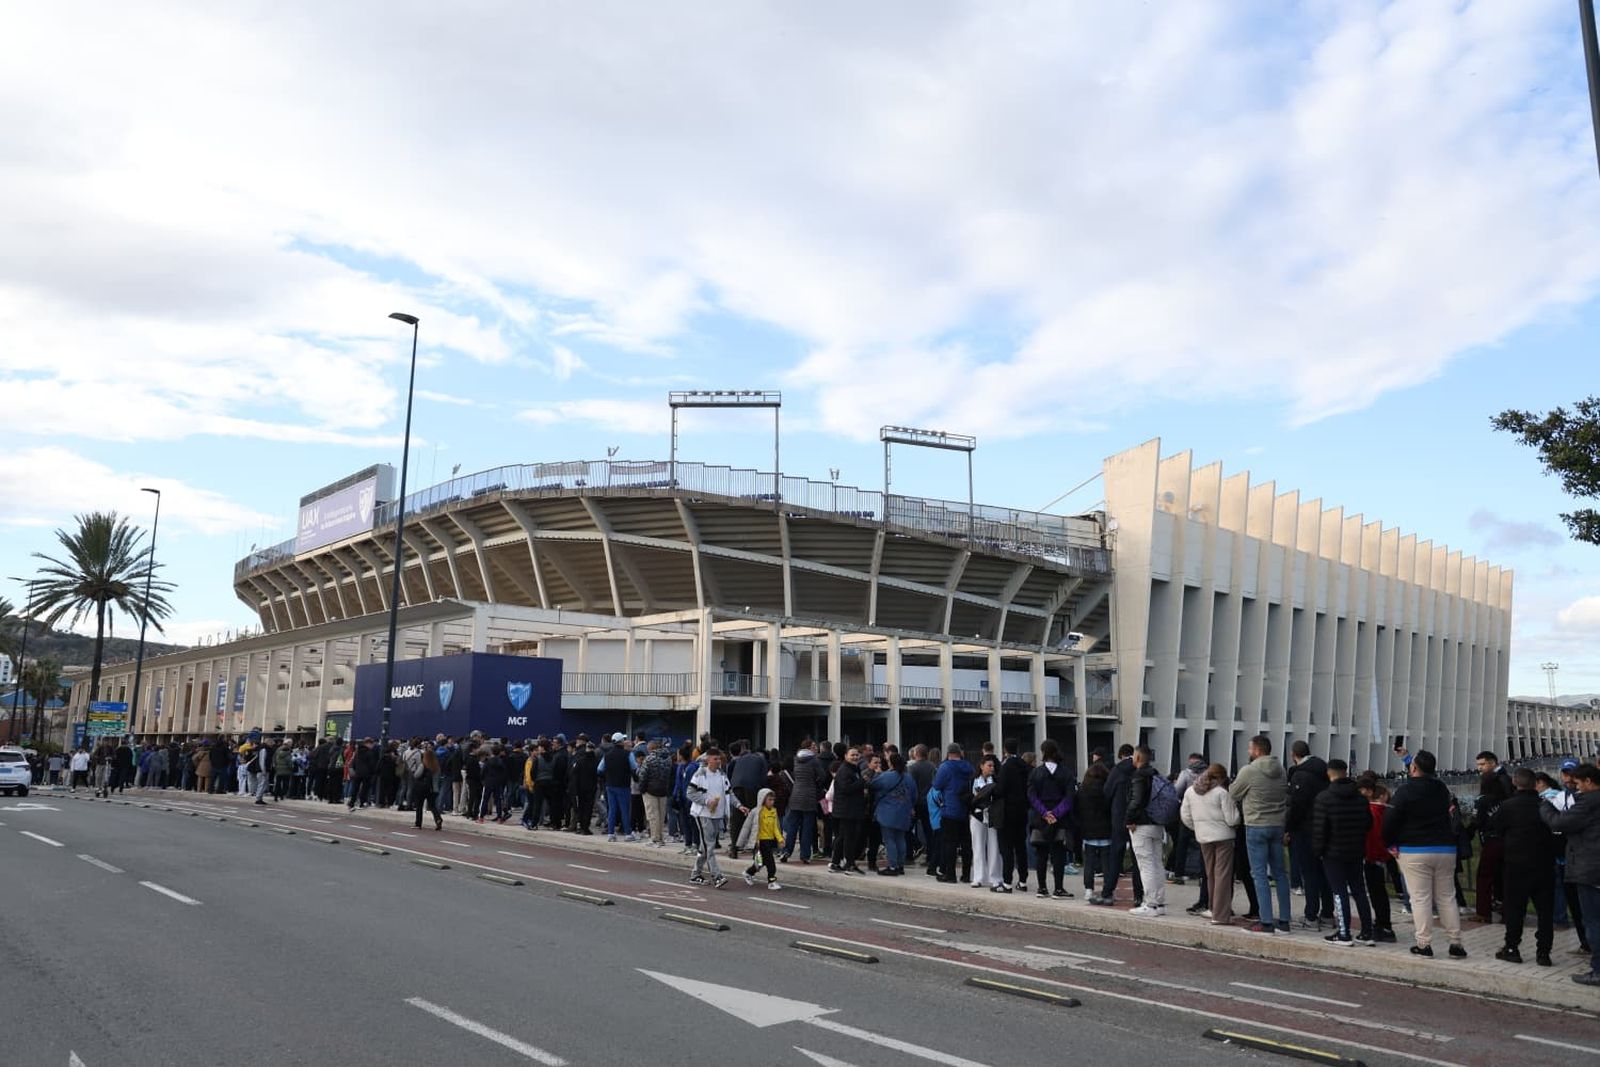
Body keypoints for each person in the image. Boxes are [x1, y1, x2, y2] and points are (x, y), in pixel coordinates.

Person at [1383, 748, 1467, 959]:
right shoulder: (1441, 789)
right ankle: (1456, 943)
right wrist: (1408, 758)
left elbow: (1390, 821)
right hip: (1445, 848)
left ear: (1413, 768)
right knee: (1447, 897)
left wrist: (1390, 844)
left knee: (1420, 898)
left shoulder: (1405, 791)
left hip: (1414, 849)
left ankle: (1424, 943)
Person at [1541, 762, 1600, 986]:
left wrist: (1546, 805)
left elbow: (1559, 822)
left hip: (1590, 868)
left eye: (1577, 783)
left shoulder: (1587, 802)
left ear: (1588, 782)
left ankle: (1598, 970)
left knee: (1593, 921)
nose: (1575, 788)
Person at [1491, 767, 1554, 965]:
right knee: (1545, 912)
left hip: (1516, 864)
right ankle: (1543, 953)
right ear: (1535, 784)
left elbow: (1495, 827)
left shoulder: (1508, 806)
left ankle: (1512, 947)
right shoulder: (1545, 805)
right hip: (1543, 864)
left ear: (1515, 783)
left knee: (1515, 908)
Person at [1230, 735, 1290, 934]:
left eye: (1250, 749)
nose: (1248, 752)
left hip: (1256, 824)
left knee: (1259, 874)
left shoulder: (1249, 770)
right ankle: (1284, 920)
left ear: (1257, 750)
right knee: (1280, 874)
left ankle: (1265, 921)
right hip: (1277, 824)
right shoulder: (1281, 770)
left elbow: (1234, 793)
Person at [1313, 758, 1374, 945]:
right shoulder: (1361, 798)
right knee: (1359, 890)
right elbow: (1368, 824)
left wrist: (1318, 851)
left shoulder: (1324, 798)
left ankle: (1344, 932)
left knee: (1339, 892)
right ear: (1346, 772)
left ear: (1329, 773)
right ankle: (1367, 932)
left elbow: (1319, 829)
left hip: (1333, 852)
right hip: (1356, 850)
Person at [1181, 762, 1239, 925]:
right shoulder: (1221, 792)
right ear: (1220, 777)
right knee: (1222, 875)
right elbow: (1232, 818)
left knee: (1210, 874)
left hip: (1203, 837)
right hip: (1223, 837)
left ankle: (1212, 908)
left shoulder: (1191, 791)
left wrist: (1198, 827)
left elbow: (1185, 816)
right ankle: (1220, 915)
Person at [1286, 740, 1334, 930]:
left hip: (1305, 830)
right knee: (1324, 872)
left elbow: (1296, 806)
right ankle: (1328, 913)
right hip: (1324, 828)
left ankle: (1311, 915)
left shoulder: (1300, 775)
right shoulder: (1324, 772)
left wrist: (1288, 828)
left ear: (1293, 754)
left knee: (1309, 872)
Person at [1125, 745, 1171, 917]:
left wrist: (1129, 819)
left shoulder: (1138, 776)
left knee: (1146, 864)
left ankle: (1150, 904)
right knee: (1157, 863)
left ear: (1137, 758)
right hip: (1157, 823)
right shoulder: (1155, 774)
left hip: (1142, 825)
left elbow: (1136, 800)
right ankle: (1159, 903)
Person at [1027, 739, 1075, 899]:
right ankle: (1058, 888)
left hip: (1040, 819)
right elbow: (1069, 798)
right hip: (1059, 819)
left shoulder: (1036, 773)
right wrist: (1056, 813)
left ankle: (1042, 888)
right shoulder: (1066, 773)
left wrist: (1044, 812)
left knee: (1041, 854)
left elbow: (1032, 796)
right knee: (1058, 854)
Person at [687, 748, 743, 888]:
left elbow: (729, 792)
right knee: (710, 846)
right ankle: (717, 876)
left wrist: (739, 805)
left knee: (705, 847)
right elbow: (690, 793)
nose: (718, 762)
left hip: (717, 815)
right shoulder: (700, 774)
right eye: (715, 759)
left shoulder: (722, 775)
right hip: (703, 814)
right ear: (708, 760)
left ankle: (696, 874)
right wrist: (706, 801)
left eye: (719, 759)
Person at [1472, 750, 1512, 924]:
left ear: (1492, 762)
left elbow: (1477, 820)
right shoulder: (1505, 788)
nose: (1480, 769)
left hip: (1491, 838)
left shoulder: (1485, 798)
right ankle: (1506, 910)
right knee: (1503, 874)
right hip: (1506, 837)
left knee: (1485, 875)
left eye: (1482, 765)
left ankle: (1483, 912)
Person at [1356, 776, 1399, 943]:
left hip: (1372, 856)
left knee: (1377, 893)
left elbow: (1373, 836)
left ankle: (1384, 926)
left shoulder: (1371, 811)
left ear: (1368, 791)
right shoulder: (1383, 810)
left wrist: (1369, 855)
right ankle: (1383, 924)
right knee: (1378, 892)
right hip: (1380, 855)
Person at [1104, 744, 1143, 906]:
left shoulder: (1117, 770)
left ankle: (1108, 892)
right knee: (1138, 859)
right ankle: (1139, 896)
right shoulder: (1141, 769)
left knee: (1116, 855)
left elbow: (1107, 792)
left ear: (1121, 755)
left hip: (1119, 818)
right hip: (1138, 820)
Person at [931, 744, 976, 884]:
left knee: (949, 844)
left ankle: (950, 875)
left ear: (949, 753)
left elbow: (937, 785)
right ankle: (966, 874)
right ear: (960, 753)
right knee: (966, 844)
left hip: (950, 808)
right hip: (966, 808)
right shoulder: (968, 766)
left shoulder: (945, 767)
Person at [782, 739, 828, 864]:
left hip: (796, 795)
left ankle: (786, 851)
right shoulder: (814, 760)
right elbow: (822, 776)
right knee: (807, 827)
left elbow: (795, 775)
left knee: (792, 826)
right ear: (808, 748)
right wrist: (815, 781)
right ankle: (805, 855)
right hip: (809, 796)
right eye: (813, 746)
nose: (815, 748)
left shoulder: (796, 758)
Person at [869, 752, 914, 876]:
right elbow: (914, 795)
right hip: (904, 811)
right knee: (900, 838)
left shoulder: (886, 776)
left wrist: (877, 774)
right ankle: (900, 865)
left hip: (887, 811)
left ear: (890, 763)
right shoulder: (909, 777)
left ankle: (893, 866)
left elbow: (872, 785)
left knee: (889, 840)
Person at [995, 738, 1031, 892]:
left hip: (1007, 812)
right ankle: (1023, 881)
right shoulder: (1025, 766)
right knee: (1021, 846)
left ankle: (1007, 882)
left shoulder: (1006, 766)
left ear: (1005, 750)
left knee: (1006, 847)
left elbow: (1000, 789)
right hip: (1022, 811)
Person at [828, 747, 869, 875]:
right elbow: (846, 789)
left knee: (843, 836)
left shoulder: (853, 769)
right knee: (848, 837)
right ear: (846, 756)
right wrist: (862, 782)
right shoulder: (845, 770)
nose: (855, 757)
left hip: (850, 809)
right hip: (846, 810)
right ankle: (849, 864)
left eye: (857, 755)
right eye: (852, 755)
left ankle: (836, 863)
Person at [1079, 760, 1114, 903]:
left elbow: (1078, 810)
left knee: (1089, 862)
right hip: (1106, 830)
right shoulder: (1108, 789)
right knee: (1107, 863)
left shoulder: (1082, 790)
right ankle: (1108, 890)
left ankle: (1088, 890)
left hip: (1088, 830)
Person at [737, 787, 784, 890]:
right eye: (769, 800)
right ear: (762, 799)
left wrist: (780, 839)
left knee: (761, 862)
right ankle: (771, 881)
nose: (772, 802)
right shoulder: (756, 812)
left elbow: (776, 827)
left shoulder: (773, 812)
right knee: (770, 863)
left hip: (769, 841)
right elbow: (747, 827)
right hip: (760, 842)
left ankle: (748, 872)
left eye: (773, 800)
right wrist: (741, 842)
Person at [969, 755, 1003, 889]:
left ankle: (995, 877)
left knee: (994, 847)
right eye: (989, 765)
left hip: (992, 816)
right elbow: (967, 795)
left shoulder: (996, 780)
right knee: (977, 846)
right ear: (981, 766)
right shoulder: (973, 780)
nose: (992, 768)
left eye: (993, 766)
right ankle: (978, 877)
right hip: (977, 815)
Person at [603, 734, 638, 842]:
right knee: (625, 809)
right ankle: (627, 833)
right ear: (621, 742)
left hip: (610, 784)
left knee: (612, 810)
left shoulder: (607, 755)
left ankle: (611, 833)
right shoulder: (628, 754)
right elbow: (635, 767)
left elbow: (600, 769)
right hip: (623, 785)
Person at [640, 739, 674, 848]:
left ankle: (655, 839)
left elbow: (643, 775)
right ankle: (661, 838)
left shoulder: (649, 759)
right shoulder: (668, 759)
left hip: (650, 790)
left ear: (651, 749)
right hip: (663, 790)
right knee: (661, 815)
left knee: (652, 815)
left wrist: (642, 789)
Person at [412, 741, 444, 831]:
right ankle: (438, 819)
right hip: (434, 789)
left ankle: (418, 823)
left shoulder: (424, 765)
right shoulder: (437, 767)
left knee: (419, 806)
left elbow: (416, 775)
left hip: (423, 788)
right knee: (432, 806)